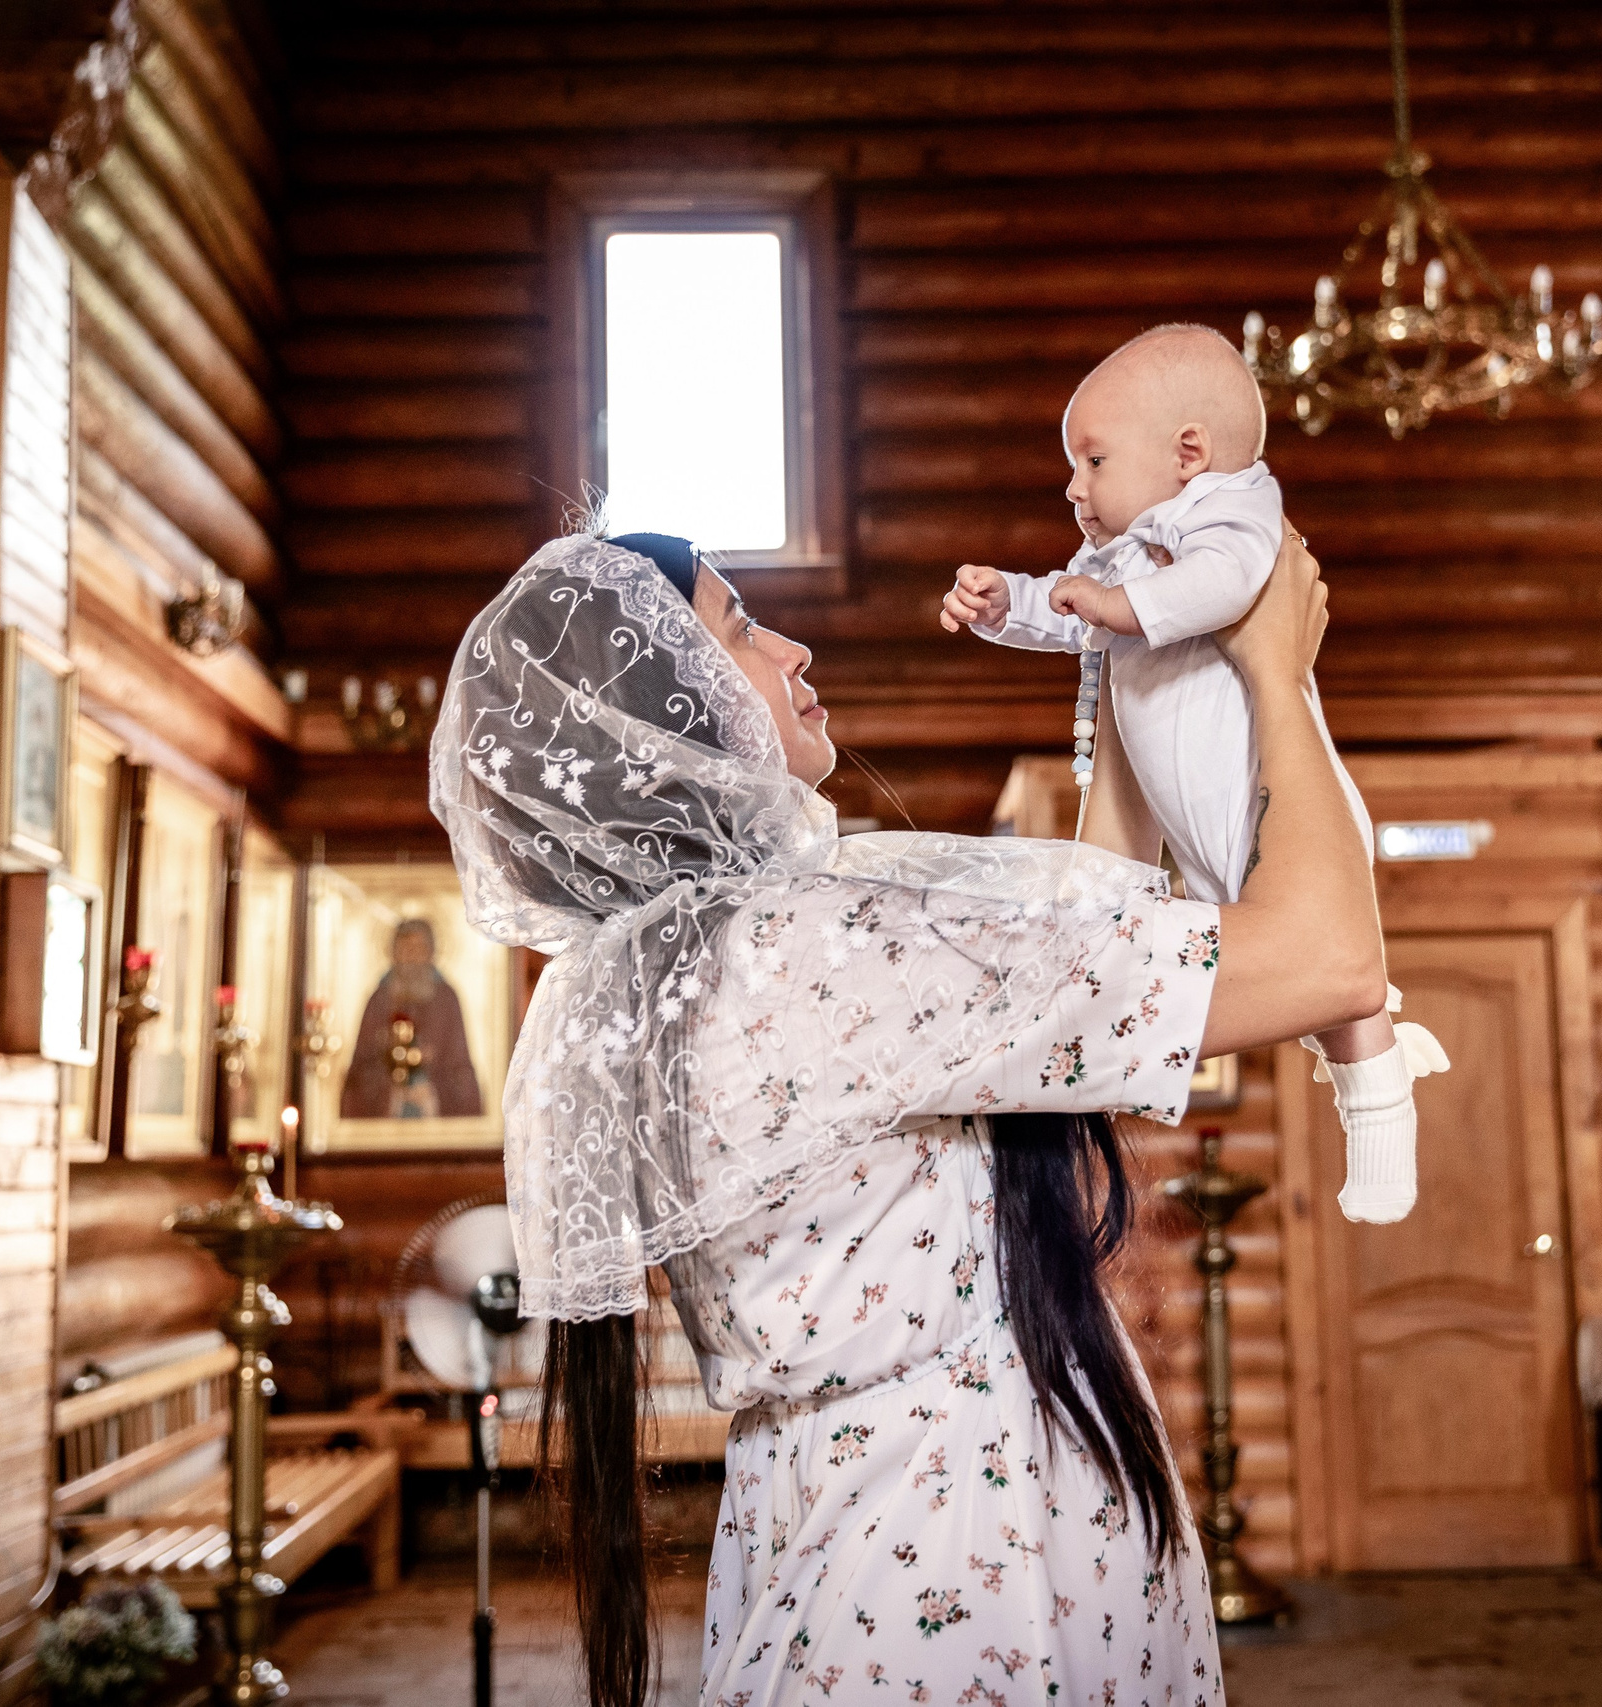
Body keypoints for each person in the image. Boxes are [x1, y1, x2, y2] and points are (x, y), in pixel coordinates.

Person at [431, 525, 1383, 1707]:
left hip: (848, 1513)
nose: (793, 645)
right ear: (665, 709)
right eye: (739, 627)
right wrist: (1278, 673)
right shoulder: (807, 950)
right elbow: (1333, 963)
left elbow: (1065, 969)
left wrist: (1124, 670)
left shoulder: (674, 971)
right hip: (965, 1537)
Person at [937, 323, 1440, 1224]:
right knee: (1276, 978)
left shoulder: (1234, 512)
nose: (1073, 485)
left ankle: (1379, 1111)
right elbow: (1070, 609)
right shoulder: (1125, 554)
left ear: (1189, 455)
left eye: (1091, 461)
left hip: (1263, 804)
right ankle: (1367, 1077)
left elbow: (1224, 588)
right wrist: (1003, 603)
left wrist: (1117, 605)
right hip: (1187, 828)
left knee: (1342, 994)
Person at [337, 917, 485, 1119]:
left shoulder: (446, 998)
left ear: (431, 953)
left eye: (419, 948)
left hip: (434, 1107)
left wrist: (432, 1089)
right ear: (393, 953)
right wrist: (392, 1090)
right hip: (387, 1113)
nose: (412, 956)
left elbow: (459, 1066)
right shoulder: (379, 1000)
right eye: (405, 949)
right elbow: (361, 1068)